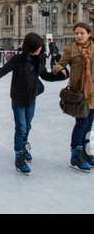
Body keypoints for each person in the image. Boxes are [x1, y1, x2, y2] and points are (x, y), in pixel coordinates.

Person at [0, 32, 67, 174]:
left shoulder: (40, 58)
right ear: (29, 46)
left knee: (27, 126)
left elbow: (45, 76)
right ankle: (19, 155)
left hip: (31, 98)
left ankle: (24, 146)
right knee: (21, 127)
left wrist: (61, 76)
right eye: (36, 47)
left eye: (40, 47)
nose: (39, 49)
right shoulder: (18, 59)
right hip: (18, 97)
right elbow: (3, 70)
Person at [53, 22, 94, 172]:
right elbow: (57, 65)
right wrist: (61, 69)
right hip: (79, 93)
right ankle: (75, 153)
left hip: (93, 93)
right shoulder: (71, 50)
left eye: (82, 33)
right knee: (82, 123)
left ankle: (85, 150)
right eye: (77, 33)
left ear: (89, 34)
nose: (79, 36)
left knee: (89, 123)